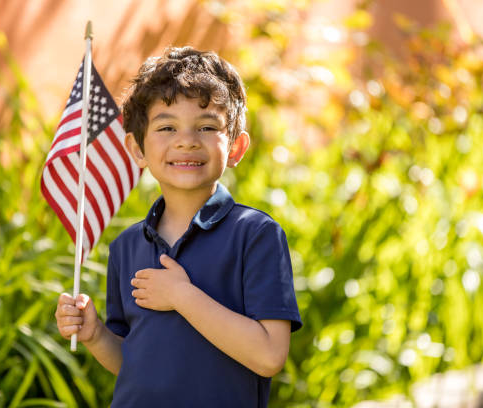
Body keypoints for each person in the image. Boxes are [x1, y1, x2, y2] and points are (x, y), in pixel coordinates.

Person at [55, 46, 302, 407]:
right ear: (137, 149)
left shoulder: (255, 235)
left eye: (206, 127)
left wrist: (183, 297)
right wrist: (95, 336)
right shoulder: (126, 246)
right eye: (167, 127)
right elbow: (133, 363)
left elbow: (268, 356)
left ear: (235, 146)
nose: (186, 140)